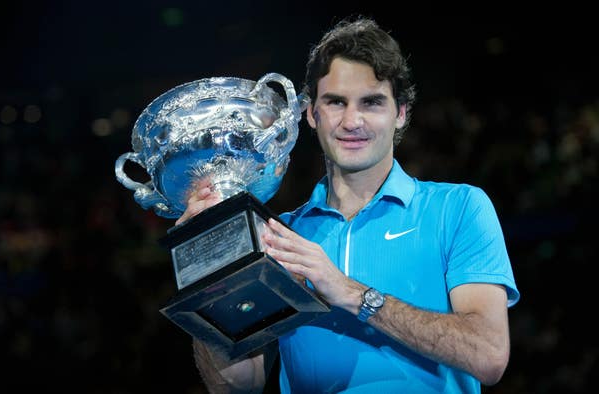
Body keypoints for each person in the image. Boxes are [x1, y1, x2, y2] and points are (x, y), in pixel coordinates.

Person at [177, 15, 520, 394]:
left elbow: (489, 355)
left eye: (371, 103)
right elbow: (236, 386)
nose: (352, 121)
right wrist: (205, 267)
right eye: (335, 102)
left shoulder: (459, 208)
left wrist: (349, 292)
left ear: (400, 112)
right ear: (311, 113)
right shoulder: (281, 236)